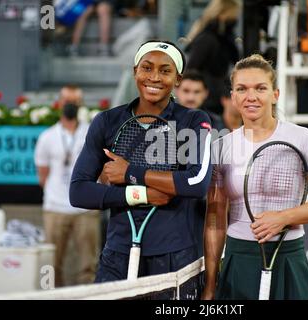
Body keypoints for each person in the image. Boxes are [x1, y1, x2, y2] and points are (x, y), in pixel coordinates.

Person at [69, 40, 213, 284]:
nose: (154, 77)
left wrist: (129, 173)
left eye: (165, 71)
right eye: (146, 68)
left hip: (174, 256)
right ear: (135, 71)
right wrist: (140, 194)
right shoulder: (106, 121)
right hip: (117, 254)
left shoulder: (194, 120)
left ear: (178, 79)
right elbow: (79, 192)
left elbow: (196, 182)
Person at [202, 54, 308, 300]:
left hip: (288, 257)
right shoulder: (220, 147)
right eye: (242, 89)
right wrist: (211, 284)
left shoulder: (302, 138)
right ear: (233, 97)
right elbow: (215, 220)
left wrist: (284, 217)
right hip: (238, 260)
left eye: (260, 88)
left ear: (275, 94)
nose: (251, 96)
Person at [35, 85, 100, 287]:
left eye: (74, 101)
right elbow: (43, 175)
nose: (70, 104)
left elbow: (102, 167)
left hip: (86, 209)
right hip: (55, 208)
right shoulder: (47, 136)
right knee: (50, 265)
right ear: (59, 103)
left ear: (80, 104)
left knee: (88, 265)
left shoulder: (91, 133)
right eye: (66, 100)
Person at [185, 0, 241, 115]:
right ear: (222, 15)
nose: (235, 20)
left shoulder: (224, 40)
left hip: (216, 100)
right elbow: (191, 70)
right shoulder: (208, 40)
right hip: (207, 103)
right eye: (233, 16)